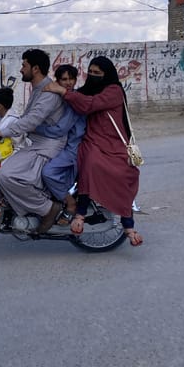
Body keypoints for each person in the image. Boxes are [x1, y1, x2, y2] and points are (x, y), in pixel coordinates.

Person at [44, 55, 144, 246]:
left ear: (107, 74)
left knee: (123, 174)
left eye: (97, 73)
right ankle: (80, 212)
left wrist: (61, 91)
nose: (92, 75)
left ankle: (128, 225)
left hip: (114, 144)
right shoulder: (85, 91)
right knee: (89, 162)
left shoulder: (113, 91)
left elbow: (89, 105)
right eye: (90, 72)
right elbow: (76, 101)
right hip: (92, 141)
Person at [0, 48, 67, 233]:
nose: (21, 69)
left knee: (7, 175)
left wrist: (1, 133)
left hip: (48, 146)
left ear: (35, 68)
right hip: (36, 143)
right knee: (3, 173)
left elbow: (31, 121)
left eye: (24, 65)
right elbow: (26, 119)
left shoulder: (48, 93)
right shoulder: (38, 89)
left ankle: (47, 209)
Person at [35, 65, 85, 221]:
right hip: (60, 145)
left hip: (73, 148)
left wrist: (34, 128)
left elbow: (59, 129)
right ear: (57, 80)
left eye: (71, 79)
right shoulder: (61, 98)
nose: (68, 82)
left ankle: (69, 202)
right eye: (64, 79)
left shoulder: (74, 100)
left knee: (47, 173)